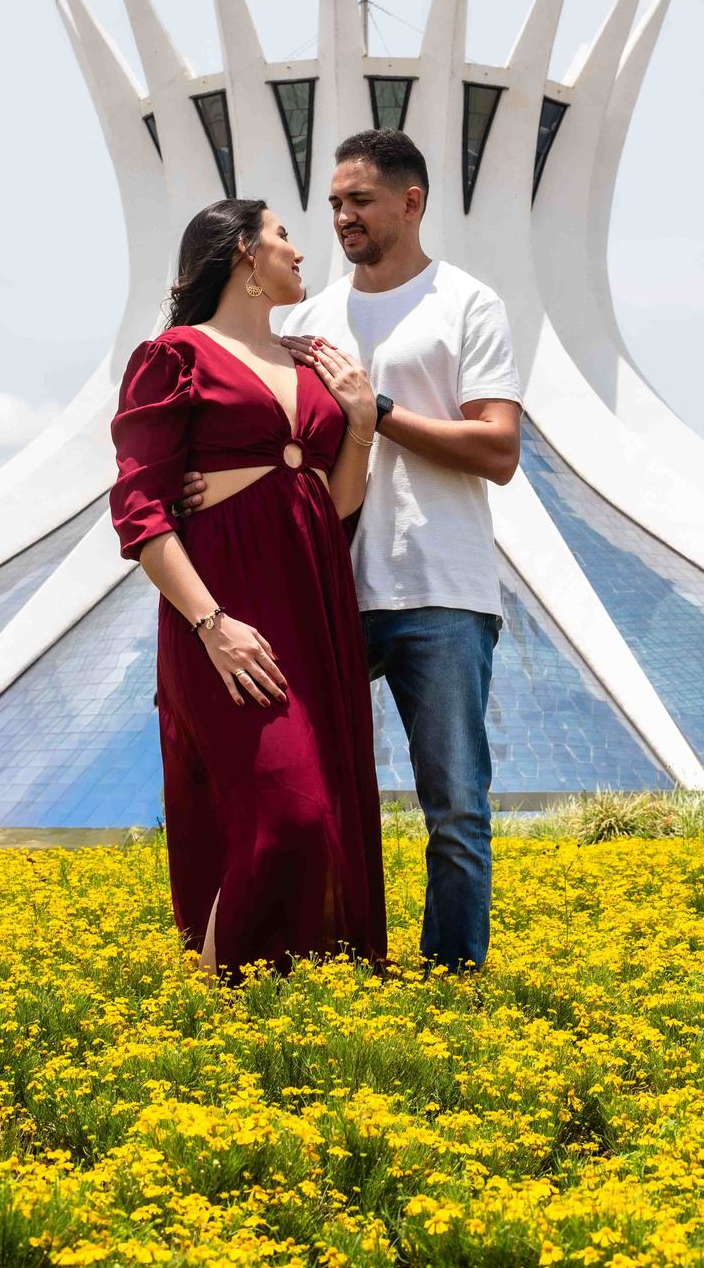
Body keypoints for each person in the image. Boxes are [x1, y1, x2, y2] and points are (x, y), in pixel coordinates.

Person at [181, 130, 521, 972]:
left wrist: (379, 412)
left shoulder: (467, 304)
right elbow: (273, 436)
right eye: (334, 203)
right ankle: (313, 962)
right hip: (319, 586)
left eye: (360, 200)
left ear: (412, 201)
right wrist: (210, 480)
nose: (341, 217)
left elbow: (499, 450)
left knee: (455, 806)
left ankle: (453, 980)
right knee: (301, 786)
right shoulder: (306, 318)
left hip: (439, 590)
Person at [109, 197, 387, 982]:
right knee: (287, 813)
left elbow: (334, 506)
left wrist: (360, 426)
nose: (299, 250)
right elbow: (140, 513)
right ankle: (213, 1001)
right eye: (282, 235)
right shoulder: (175, 356)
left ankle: (276, 1009)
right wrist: (213, 625)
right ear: (242, 252)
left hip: (314, 607)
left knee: (324, 816)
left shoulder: (312, 366)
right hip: (225, 614)